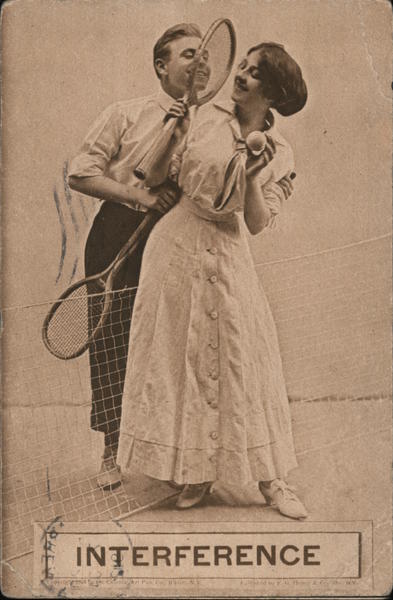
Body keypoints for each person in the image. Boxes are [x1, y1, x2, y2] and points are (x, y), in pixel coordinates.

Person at [117, 42, 308, 519]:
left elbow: (258, 223)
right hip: (176, 245)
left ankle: (271, 480)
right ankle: (195, 474)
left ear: (275, 92)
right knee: (178, 356)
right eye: (242, 65)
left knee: (244, 357)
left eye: (255, 73)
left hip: (227, 249)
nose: (241, 75)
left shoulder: (280, 152)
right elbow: (158, 177)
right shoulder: (203, 118)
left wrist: (252, 176)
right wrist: (174, 128)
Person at [67, 23, 206, 491]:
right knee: (112, 337)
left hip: (180, 236)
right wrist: (138, 197)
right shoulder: (125, 114)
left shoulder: (215, 123)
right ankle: (111, 450)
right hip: (119, 233)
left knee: (176, 342)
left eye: (203, 54)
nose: (199, 61)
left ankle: (175, 459)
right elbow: (80, 173)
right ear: (161, 66)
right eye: (188, 54)